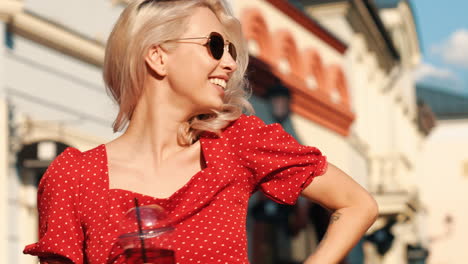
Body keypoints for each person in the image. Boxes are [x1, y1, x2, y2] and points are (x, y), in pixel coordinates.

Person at [23, 0, 378, 263]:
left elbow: (357, 204)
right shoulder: (72, 177)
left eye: (232, 51)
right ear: (158, 56)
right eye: (215, 46)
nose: (229, 63)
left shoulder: (237, 143)